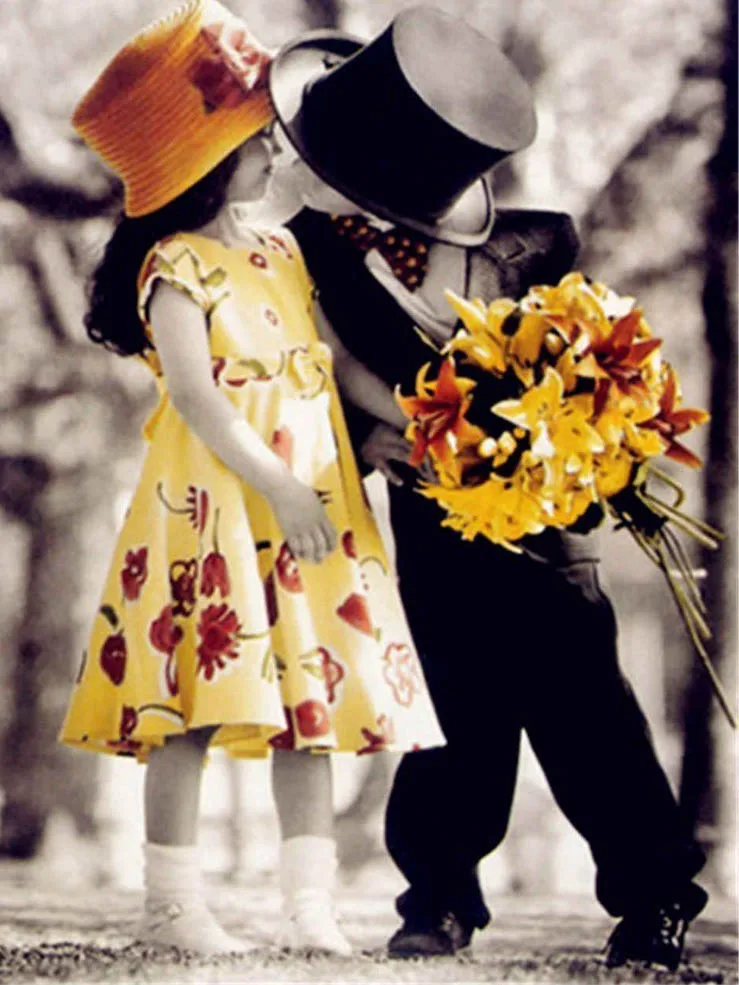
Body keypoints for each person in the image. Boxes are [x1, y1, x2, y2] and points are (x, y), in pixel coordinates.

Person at [267, 6, 709, 970]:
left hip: (549, 504)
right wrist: (368, 435)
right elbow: (287, 367)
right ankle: (437, 899)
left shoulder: (536, 248)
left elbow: (586, 353)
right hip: (431, 510)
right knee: (449, 698)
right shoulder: (301, 254)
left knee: (584, 698)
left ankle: (654, 896)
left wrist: (596, 439)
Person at [59, 0, 444, 958]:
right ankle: (171, 903)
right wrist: (278, 484)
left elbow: (333, 362)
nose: (274, 151)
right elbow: (197, 397)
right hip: (221, 506)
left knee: (309, 708)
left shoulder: (279, 251)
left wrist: (424, 423)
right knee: (191, 703)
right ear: (205, 161)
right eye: (255, 141)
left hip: (309, 498)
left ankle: (309, 905)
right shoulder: (176, 264)